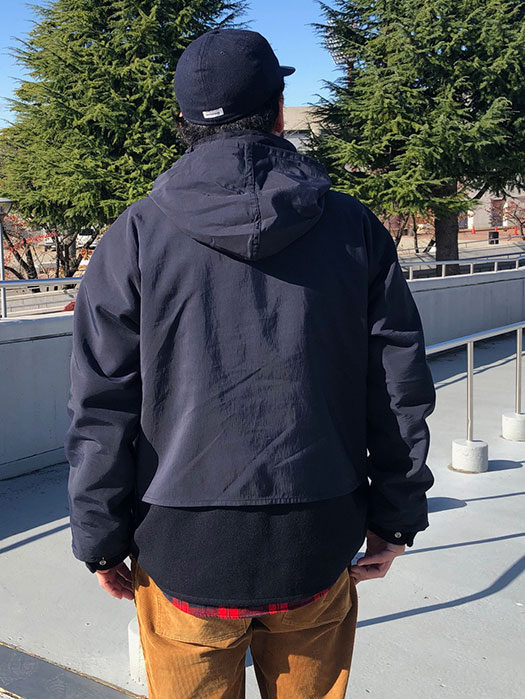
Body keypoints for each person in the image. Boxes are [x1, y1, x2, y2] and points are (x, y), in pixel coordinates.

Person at [65, 28, 436, 699]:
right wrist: (395, 516)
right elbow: (396, 384)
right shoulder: (353, 228)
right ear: (278, 111)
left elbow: (100, 404)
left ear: (183, 120)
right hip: (317, 535)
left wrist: (99, 536)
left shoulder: (134, 236)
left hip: (180, 547)